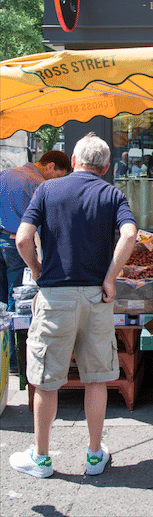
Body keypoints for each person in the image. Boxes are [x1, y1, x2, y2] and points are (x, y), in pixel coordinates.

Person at [9, 133, 137, 479]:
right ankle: (95, 456)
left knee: (47, 381)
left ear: (74, 159)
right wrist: (111, 278)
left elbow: (22, 238)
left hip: (56, 298)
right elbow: (129, 235)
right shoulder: (112, 194)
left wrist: (37, 270)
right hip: (97, 297)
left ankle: (41, 459)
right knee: (96, 379)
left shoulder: (47, 190)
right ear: (106, 167)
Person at [0, 150, 71, 371]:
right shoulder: (37, 184)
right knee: (19, 302)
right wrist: (39, 263)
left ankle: (5, 357)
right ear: (49, 166)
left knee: (3, 302)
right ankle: (16, 361)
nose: (57, 182)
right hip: (18, 245)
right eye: (58, 176)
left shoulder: (6, 174)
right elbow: (40, 226)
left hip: (2, 241)